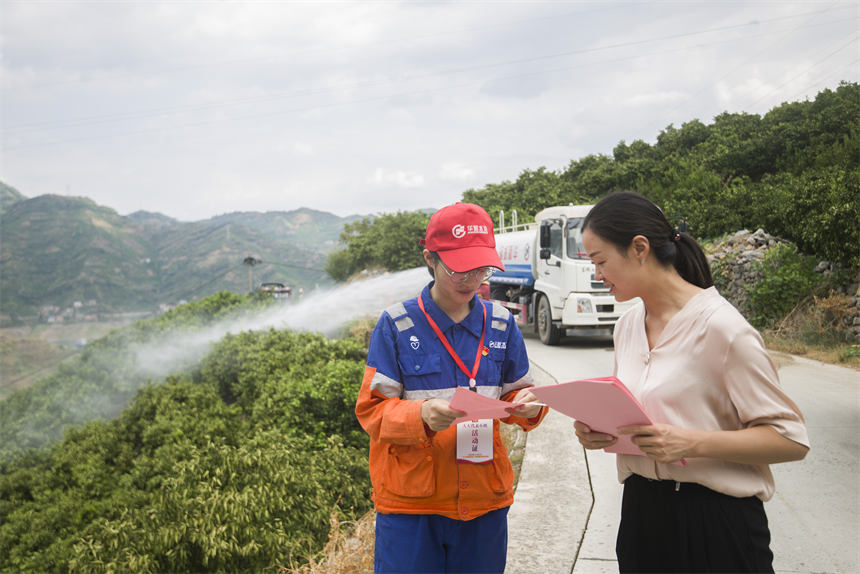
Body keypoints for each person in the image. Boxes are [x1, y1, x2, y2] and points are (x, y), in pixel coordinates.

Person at [574, 191, 809, 573]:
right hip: (641, 516)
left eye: (600, 261)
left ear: (639, 248)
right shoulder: (627, 326)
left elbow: (791, 439)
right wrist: (597, 431)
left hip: (714, 523)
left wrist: (691, 442)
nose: (597, 275)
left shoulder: (723, 328)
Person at [355, 202, 548, 574]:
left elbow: (520, 394)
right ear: (430, 258)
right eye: (458, 268)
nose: (471, 279)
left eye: (481, 267)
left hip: (482, 501)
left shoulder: (502, 324)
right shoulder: (396, 325)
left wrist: (530, 405)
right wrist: (421, 414)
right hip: (412, 506)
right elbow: (372, 411)